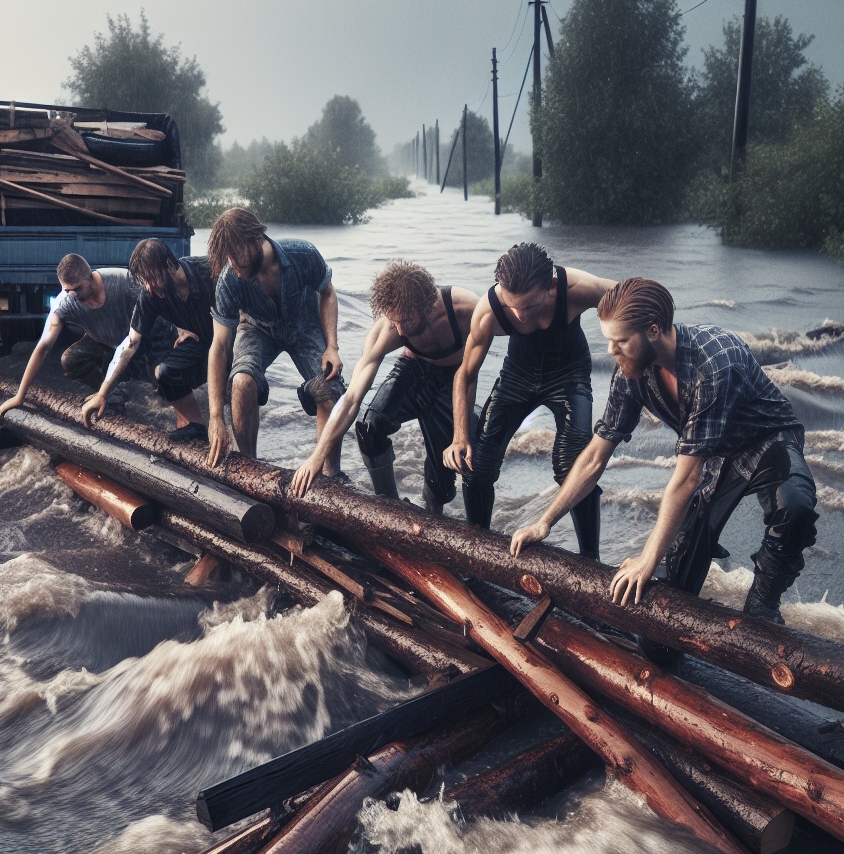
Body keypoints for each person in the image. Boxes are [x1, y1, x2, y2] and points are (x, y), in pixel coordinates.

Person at [510, 277, 818, 625]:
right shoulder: (630, 371)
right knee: (672, 586)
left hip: (767, 442)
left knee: (795, 506)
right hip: (714, 457)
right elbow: (596, 455)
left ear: (653, 331)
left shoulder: (714, 362)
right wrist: (544, 522)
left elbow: (686, 479)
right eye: (609, 340)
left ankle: (762, 607)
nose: (611, 351)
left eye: (620, 341)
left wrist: (645, 559)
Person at [443, 243, 615, 558]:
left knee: (572, 467)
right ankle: (478, 550)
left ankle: (592, 561)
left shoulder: (577, 289)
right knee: (476, 466)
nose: (520, 315)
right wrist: (459, 436)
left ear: (549, 286)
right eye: (513, 307)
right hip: (516, 378)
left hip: (569, 375)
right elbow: (465, 374)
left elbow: (633, 297)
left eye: (530, 306)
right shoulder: (489, 310)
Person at [291, 261, 479, 514]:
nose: (400, 329)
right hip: (412, 370)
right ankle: (389, 507)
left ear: (427, 306)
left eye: (407, 320)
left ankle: (435, 516)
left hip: (454, 380)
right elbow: (351, 399)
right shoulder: (389, 329)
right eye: (394, 320)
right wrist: (317, 457)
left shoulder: (466, 309)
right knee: (370, 428)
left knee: (441, 485)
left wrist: (463, 427)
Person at [205, 208, 344, 472]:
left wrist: (332, 347)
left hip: (303, 320)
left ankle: (330, 475)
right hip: (256, 327)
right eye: (228, 258)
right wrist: (215, 416)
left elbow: (327, 292)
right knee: (241, 382)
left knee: (329, 384)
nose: (233, 266)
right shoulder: (229, 280)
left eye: (236, 256)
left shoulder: (302, 253)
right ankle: (249, 467)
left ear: (256, 238)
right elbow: (220, 347)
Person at [0, 254, 173, 423]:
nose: (73, 295)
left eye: (77, 288)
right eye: (67, 290)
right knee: (72, 359)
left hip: (146, 337)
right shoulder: (65, 302)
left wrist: (183, 329)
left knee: (160, 380)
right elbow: (44, 347)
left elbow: (163, 300)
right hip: (110, 343)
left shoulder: (125, 282)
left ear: (90, 277)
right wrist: (20, 396)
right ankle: (112, 393)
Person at [80, 238, 212, 441]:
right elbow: (130, 344)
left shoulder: (207, 270)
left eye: (151, 278)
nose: (149, 287)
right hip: (200, 343)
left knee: (248, 388)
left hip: (228, 339)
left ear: (168, 265)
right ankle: (197, 427)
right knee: (164, 373)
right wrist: (102, 394)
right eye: (144, 281)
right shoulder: (150, 296)